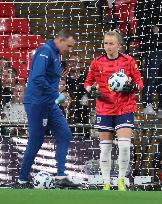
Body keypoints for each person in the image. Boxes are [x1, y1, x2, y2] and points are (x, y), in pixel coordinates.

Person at [84, 30, 143, 191]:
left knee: (124, 146)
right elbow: (87, 83)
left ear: (119, 45)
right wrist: (92, 91)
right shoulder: (96, 62)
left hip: (124, 108)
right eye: (105, 43)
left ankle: (121, 180)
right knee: (105, 147)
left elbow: (139, 83)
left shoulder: (128, 61)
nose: (108, 46)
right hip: (104, 109)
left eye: (111, 43)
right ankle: (106, 182)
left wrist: (132, 87)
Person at [18, 29, 76, 187]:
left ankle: (61, 176)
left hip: (48, 102)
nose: (69, 50)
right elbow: (36, 78)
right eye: (69, 46)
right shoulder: (45, 51)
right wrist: (56, 94)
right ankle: (22, 179)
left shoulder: (55, 54)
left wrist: (54, 96)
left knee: (64, 134)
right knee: (36, 140)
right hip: (37, 103)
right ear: (60, 40)